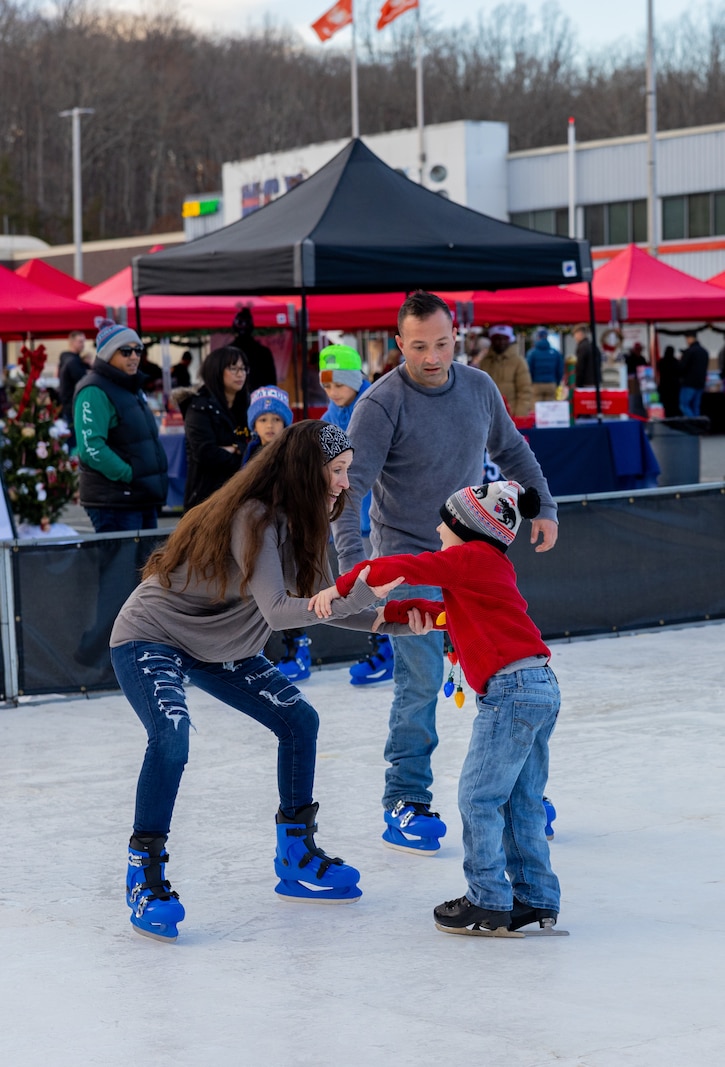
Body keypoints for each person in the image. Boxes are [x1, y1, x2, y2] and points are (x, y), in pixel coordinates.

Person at [109, 421, 428, 941]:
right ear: (308, 471)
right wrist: (367, 593)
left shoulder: (309, 518)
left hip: (224, 647)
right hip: (154, 634)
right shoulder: (253, 518)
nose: (347, 483)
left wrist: (390, 618)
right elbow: (282, 614)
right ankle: (144, 871)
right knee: (171, 736)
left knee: (299, 721)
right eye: (339, 471)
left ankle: (296, 854)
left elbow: (324, 604)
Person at [331, 290, 558, 853]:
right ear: (398, 344)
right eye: (418, 347)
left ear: (455, 336)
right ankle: (405, 798)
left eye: (441, 344)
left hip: (476, 558)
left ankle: (516, 792)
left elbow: (514, 452)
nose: (431, 357)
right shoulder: (381, 404)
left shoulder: (478, 387)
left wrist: (545, 506)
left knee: (504, 672)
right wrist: (355, 570)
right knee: (422, 681)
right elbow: (348, 489)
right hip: (409, 558)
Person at [313, 479, 562, 934]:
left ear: (467, 528)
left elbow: (403, 565)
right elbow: (451, 615)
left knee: (478, 797)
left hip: (510, 690)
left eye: (445, 523)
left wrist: (342, 586)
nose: (437, 529)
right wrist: (396, 618)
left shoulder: (467, 557)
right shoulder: (491, 566)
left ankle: (488, 900)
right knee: (520, 800)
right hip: (539, 685)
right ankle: (536, 897)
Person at [319, 343, 392, 686]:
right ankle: (381, 645)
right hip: (347, 517)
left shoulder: (375, 405)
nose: (333, 392)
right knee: (361, 584)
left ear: (355, 379)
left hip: (380, 514)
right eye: (327, 386)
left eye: (339, 384)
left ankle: (391, 649)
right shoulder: (330, 417)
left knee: (382, 583)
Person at [242, 385, 311, 683]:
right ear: (253, 425)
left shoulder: (292, 453)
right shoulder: (250, 453)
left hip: (289, 535)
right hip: (258, 534)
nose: (270, 426)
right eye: (263, 419)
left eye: (276, 419)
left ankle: (299, 649)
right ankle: (260, 652)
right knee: (262, 595)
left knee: (290, 592)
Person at [74, 319, 168, 533]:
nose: (134, 356)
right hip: (116, 501)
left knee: (145, 564)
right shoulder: (94, 390)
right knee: (121, 565)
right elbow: (91, 448)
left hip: (141, 496)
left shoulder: (131, 386)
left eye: (138, 350)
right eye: (125, 351)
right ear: (108, 354)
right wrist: (129, 474)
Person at [178, 345, 250, 512]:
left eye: (243, 369)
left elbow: (255, 445)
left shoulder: (245, 404)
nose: (240, 374)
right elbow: (205, 453)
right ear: (216, 371)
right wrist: (241, 454)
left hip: (240, 494)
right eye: (233, 368)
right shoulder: (199, 407)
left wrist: (235, 449)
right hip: (206, 498)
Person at [479, 325, 534, 417]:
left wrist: (520, 415)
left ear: (509, 340)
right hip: (489, 415)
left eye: (504, 338)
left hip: (512, 416)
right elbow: (480, 390)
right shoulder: (485, 362)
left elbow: (525, 391)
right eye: (497, 339)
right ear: (492, 340)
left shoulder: (518, 362)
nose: (501, 342)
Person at [231, 307, 277, 394]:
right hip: (256, 399)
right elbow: (272, 384)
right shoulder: (263, 352)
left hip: (250, 399)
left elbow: (271, 383)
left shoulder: (263, 353)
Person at [57, 330, 88, 448]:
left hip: (70, 404)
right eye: (80, 341)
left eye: (83, 342)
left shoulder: (70, 360)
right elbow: (82, 379)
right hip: (73, 405)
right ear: (72, 342)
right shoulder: (72, 362)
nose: (83, 344)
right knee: (74, 440)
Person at [525, 327, 563, 404]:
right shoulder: (555, 352)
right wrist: (557, 382)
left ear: (538, 337)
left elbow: (528, 369)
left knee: (536, 408)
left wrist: (531, 382)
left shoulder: (532, 353)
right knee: (549, 408)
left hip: (536, 384)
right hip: (551, 383)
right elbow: (560, 370)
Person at [678, 330, 709, 417]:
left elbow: (682, 367)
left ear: (690, 338)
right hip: (700, 383)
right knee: (696, 406)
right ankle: (698, 426)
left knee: (684, 405)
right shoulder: (704, 351)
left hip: (689, 383)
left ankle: (693, 425)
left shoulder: (689, 352)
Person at [572, 324, 600, 388]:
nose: (574, 337)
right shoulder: (594, 346)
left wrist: (577, 383)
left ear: (580, 334)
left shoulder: (582, 347)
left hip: (585, 382)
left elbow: (580, 366)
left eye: (575, 335)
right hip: (595, 381)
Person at [624, 342, 648, 417]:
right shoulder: (630, 358)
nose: (639, 351)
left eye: (639, 350)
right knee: (633, 399)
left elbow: (645, 368)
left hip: (642, 382)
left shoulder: (642, 358)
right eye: (637, 350)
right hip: (632, 383)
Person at [657, 345, 681, 418]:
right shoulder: (676, 361)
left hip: (664, 386)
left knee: (666, 406)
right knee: (674, 405)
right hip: (674, 387)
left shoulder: (661, 361)